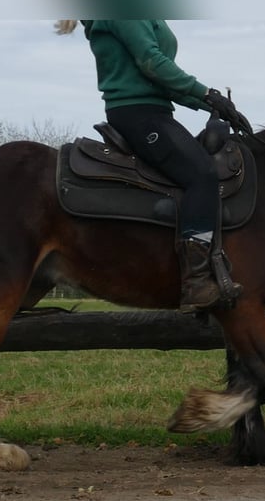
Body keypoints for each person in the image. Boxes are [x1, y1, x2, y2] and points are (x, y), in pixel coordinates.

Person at [56, 19, 248, 313]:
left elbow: (160, 80)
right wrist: (207, 93)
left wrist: (213, 105)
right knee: (202, 175)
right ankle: (196, 281)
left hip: (155, 112)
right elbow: (152, 63)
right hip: (139, 114)